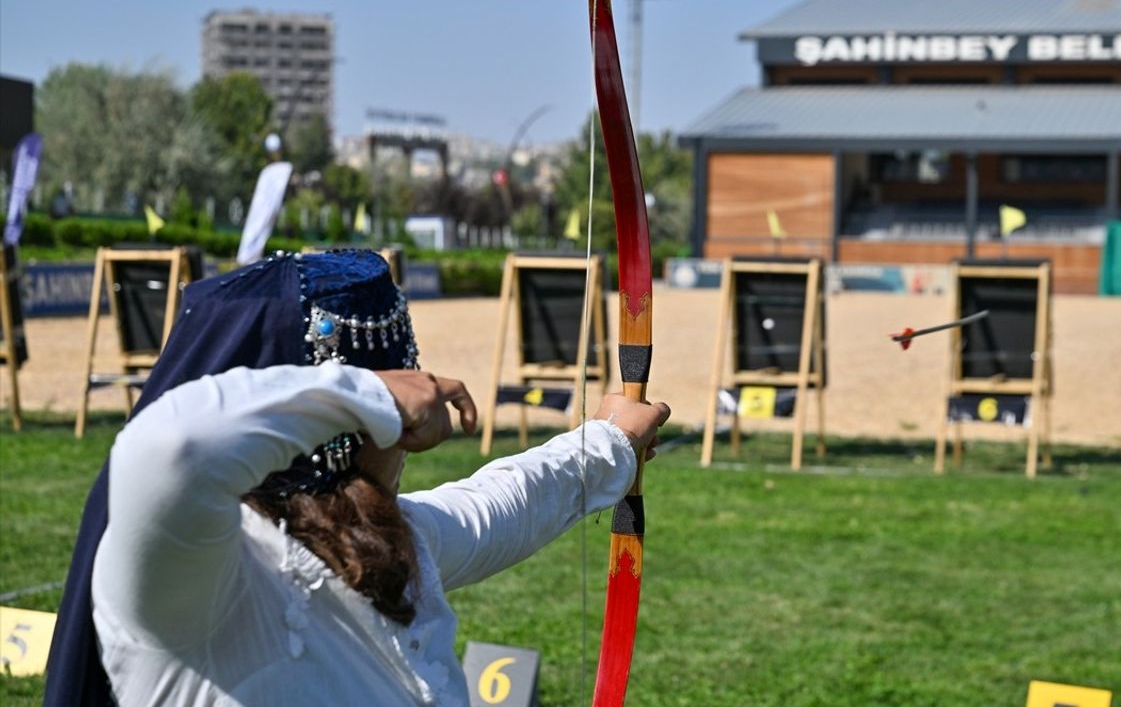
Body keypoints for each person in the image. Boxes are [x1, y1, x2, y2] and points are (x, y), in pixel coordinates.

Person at [43, 250, 669, 706]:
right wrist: (364, 391)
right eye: (401, 410)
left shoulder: (392, 542)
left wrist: (610, 443)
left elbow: (502, 503)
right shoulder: (197, 578)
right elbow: (167, 446)